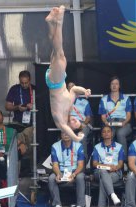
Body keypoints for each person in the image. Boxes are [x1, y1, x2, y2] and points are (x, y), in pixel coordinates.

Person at [45, 5, 91, 142]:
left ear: (72, 127)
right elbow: (74, 89)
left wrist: (76, 138)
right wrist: (85, 91)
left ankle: (59, 22)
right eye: (78, 121)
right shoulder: (70, 105)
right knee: (57, 50)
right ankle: (51, 23)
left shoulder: (61, 122)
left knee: (59, 53)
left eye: (76, 123)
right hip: (58, 80)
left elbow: (65, 128)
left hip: (55, 83)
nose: (76, 120)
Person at [48, 132, 85, 207]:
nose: (66, 135)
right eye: (63, 133)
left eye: (68, 133)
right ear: (60, 135)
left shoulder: (78, 145)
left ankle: (80, 206)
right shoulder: (55, 146)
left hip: (75, 171)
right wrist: (58, 174)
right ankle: (58, 206)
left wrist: (74, 174)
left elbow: (80, 165)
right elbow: (55, 164)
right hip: (61, 170)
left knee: (80, 177)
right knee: (51, 178)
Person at [91, 126, 123, 207]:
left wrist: (115, 168)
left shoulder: (119, 147)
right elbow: (95, 164)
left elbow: (121, 163)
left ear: (112, 134)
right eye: (104, 132)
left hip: (115, 172)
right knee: (103, 172)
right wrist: (107, 167)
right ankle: (112, 195)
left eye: (108, 131)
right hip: (99, 171)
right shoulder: (97, 147)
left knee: (103, 180)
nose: (106, 133)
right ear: (101, 134)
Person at [98, 76, 132, 156]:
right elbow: (103, 117)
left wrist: (124, 122)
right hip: (110, 122)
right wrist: (106, 123)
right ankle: (107, 159)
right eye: (112, 84)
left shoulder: (126, 98)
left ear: (119, 86)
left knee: (120, 133)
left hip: (124, 122)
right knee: (108, 134)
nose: (114, 86)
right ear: (110, 86)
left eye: (116, 84)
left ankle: (123, 161)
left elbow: (128, 116)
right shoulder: (104, 99)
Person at [67, 82, 93, 158]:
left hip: (83, 123)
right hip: (70, 123)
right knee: (66, 135)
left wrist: (82, 125)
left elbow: (88, 117)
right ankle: (69, 160)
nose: (71, 88)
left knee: (82, 136)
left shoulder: (85, 101)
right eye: (69, 87)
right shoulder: (65, 102)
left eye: (73, 87)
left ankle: (83, 159)